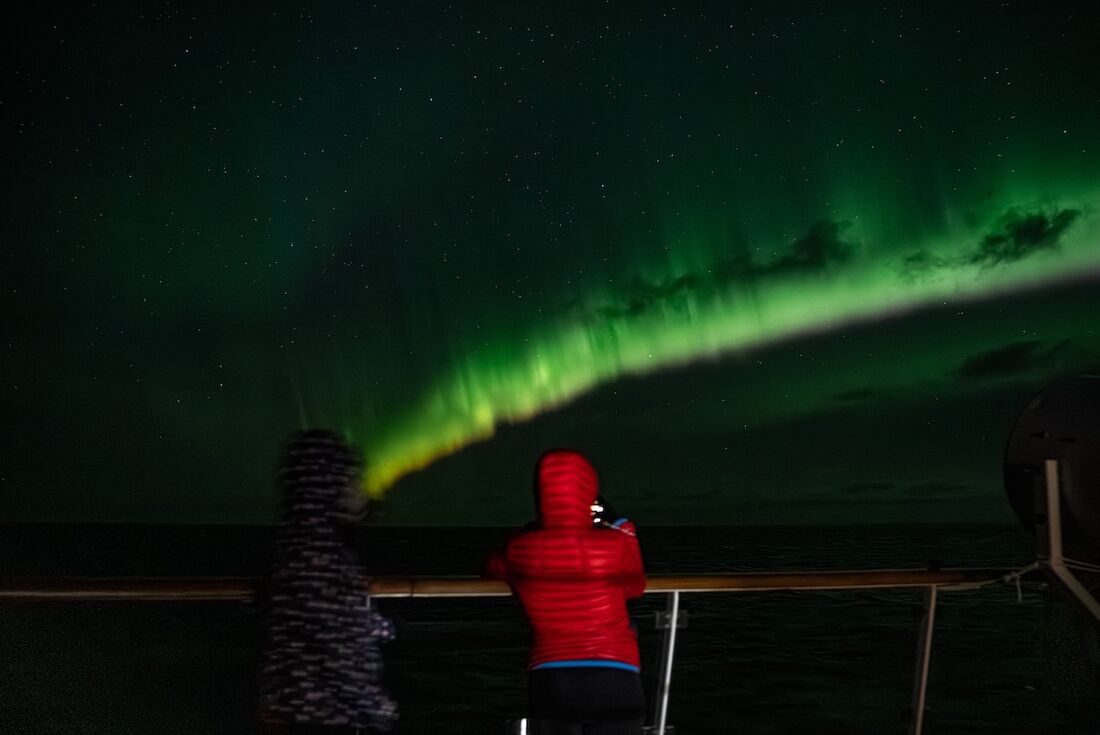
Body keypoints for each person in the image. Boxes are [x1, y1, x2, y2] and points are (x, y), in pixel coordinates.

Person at [486, 449, 647, 735]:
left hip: (551, 675)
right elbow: (635, 586)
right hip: (616, 671)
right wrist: (621, 523)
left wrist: (532, 532)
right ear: (589, 492)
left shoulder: (520, 550)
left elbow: (493, 567)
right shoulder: (614, 545)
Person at [257, 429, 398, 734]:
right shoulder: (325, 559)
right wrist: (377, 707)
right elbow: (338, 652)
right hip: (326, 718)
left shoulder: (290, 550)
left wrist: (371, 622)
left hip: (285, 712)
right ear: (328, 487)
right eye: (353, 479)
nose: (362, 489)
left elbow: (319, 619)